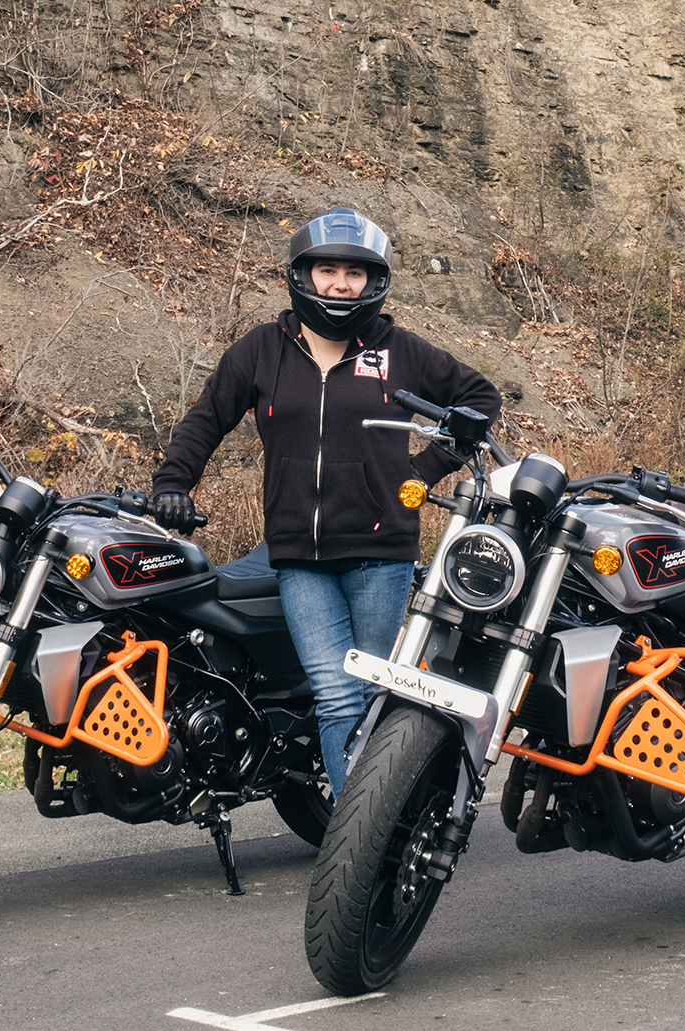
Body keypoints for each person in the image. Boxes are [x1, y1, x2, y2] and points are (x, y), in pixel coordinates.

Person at [151, 208, 501, 796]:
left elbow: (480, 401)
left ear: (375, 281)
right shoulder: (262, 350)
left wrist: (420, 471)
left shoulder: (399, 351)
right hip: (297, 556)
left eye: (356, 272)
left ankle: (376, 826)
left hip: (380, 551)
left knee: (370, 692)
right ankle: (353, 836)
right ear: (302, 275)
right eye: (328, 270)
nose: (341, 284)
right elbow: (205, 419)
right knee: (335, 691)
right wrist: (171, 485)